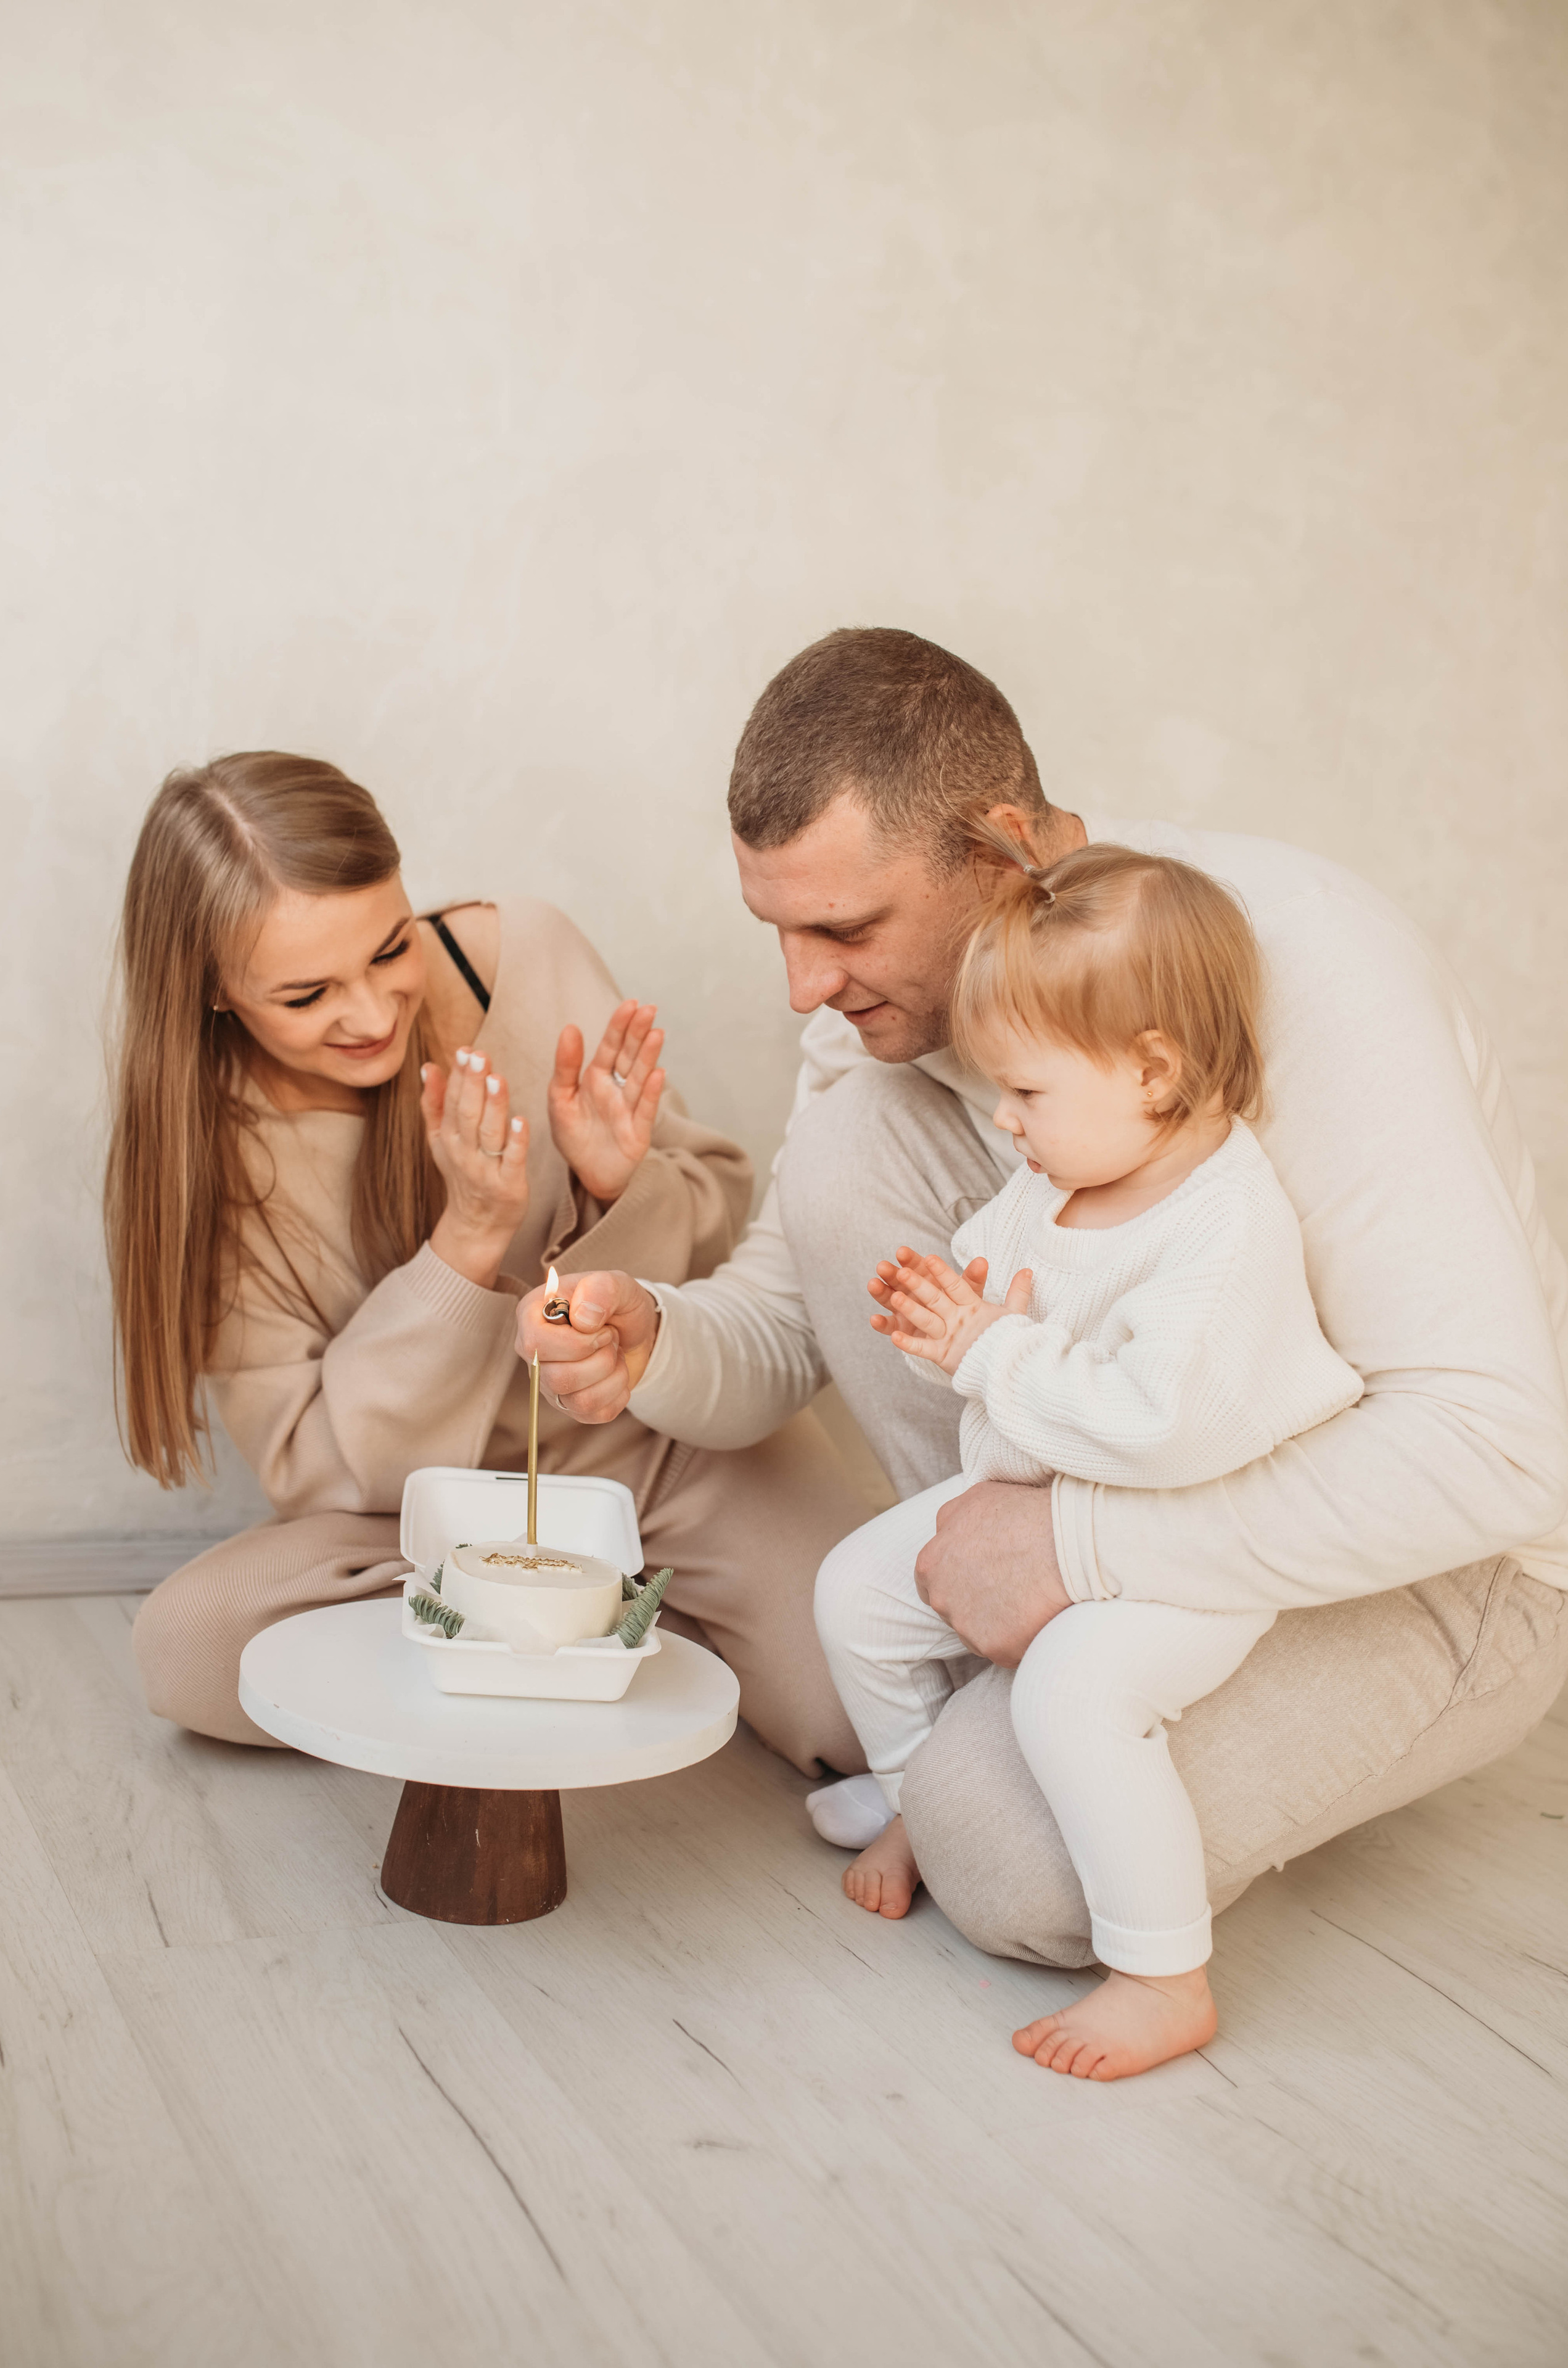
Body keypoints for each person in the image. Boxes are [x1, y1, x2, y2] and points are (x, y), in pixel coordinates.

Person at [515, 626, 1568, 1985]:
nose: (804, 988)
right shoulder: (883, 1021)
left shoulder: (1302, 966)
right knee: (848, 1152)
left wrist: (1079, 1547)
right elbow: (789, 1320)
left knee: (1005, 1863)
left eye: (843, 929)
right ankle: (1020, 1690)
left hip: (1447, 1561)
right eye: (777, 931)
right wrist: (649, 1338)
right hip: (1135, 1489)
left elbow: (1494, 1458)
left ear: (1005, 849)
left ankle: (1025, 1724)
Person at [110, 751, 868, 1771]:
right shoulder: (212, 1157)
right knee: (193, 1649)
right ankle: (598, 1639)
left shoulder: (522, 954)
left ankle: (570, 1639)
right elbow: (330, 1473)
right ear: (212, 993)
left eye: (388, 949)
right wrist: (462, 1245)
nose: (374, 1015)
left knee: (858, 1718)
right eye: (306, 995)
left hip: (665, 1456)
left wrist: (618, 1183)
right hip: (424, 1523)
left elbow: (719, 1251)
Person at [816, 839, 1362, 2079]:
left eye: (1025, 1092)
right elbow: (996, 1317)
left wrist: (985, 1352)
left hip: (1196, 1545)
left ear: (1152, 1072)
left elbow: (1152, 1426)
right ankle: (912, 1800)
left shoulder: (1221, 1230)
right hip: (1054, 1498)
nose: (1000, 1121)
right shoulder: (1058, 1177)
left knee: (1077, 1697)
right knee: (852, 1594)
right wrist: (940, 1318)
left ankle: (1159, 1974)